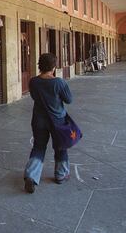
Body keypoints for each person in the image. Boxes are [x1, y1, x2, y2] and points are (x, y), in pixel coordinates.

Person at [23, 53, 73, 193]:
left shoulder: (33, 81)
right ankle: (61, 175)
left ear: (40, 66)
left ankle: (31, 176)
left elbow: (34, 96)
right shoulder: (59, 82)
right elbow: (69, 99)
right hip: (58, 120)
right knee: (60, 147)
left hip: (38, 119)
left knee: (38, 147)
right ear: (53, 66)